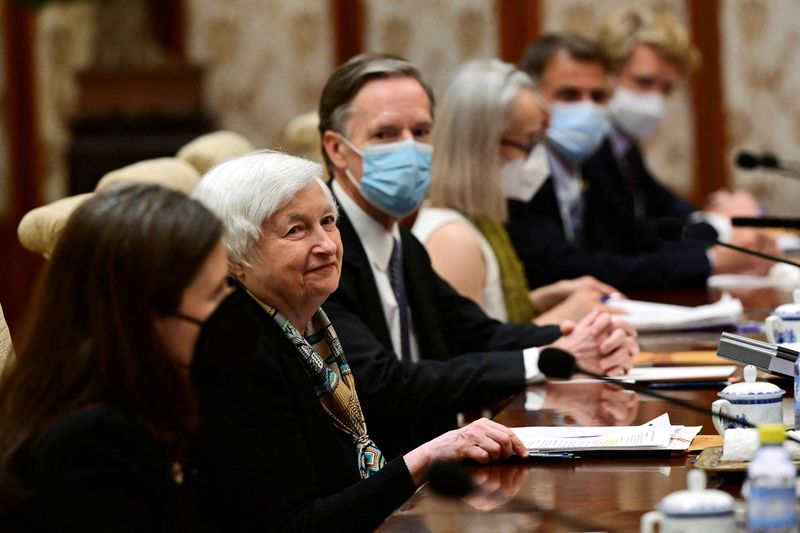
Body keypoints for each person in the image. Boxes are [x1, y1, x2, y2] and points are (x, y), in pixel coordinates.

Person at [189, 150, 529, 532]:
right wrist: (426, 458)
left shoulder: (311, 323)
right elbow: (298, 524)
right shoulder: (242, 355)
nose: (327, 245)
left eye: (328, 222)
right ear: (235, 258)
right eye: (295, 230)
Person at [317, 53, 638, 457]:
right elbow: (382, 383)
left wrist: (582, 339)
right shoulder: (325, 249)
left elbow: (475, 333)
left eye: (420, 131)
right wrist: (544, 359)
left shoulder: (399, 237)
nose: (409, 148)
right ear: (337, 149)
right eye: (385, 134)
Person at [0, 183, 230, 531]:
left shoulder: (153, 394)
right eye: (215, 294)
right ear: (146, 315)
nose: (231, 308)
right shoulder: (90, 445)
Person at [508, 32, 778, 291]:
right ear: (531, 96)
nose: (587, 108)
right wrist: (713, 252)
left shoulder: (580, 156)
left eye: (598, 97)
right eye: (569, 95)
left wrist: (716, 234)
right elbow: (565, 265)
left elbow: (635, 233)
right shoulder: (519, 167)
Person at [415, 58, 622, 325]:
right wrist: (563, 315)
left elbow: (491, 317)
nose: (539, 157)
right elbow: (467, 359)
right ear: (481, 146)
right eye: (529, 142)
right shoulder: (454, 239)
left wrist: (544, 298)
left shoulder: (484, 220)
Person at [596, 5, 764, 228]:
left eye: (666, 88)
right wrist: (719, 224)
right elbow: (629, 238)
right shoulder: (589, 146)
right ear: (606, 74)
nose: (655, 101)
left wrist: (714, 215)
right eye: (644, 82)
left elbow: (665, 207)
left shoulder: (625, 145)